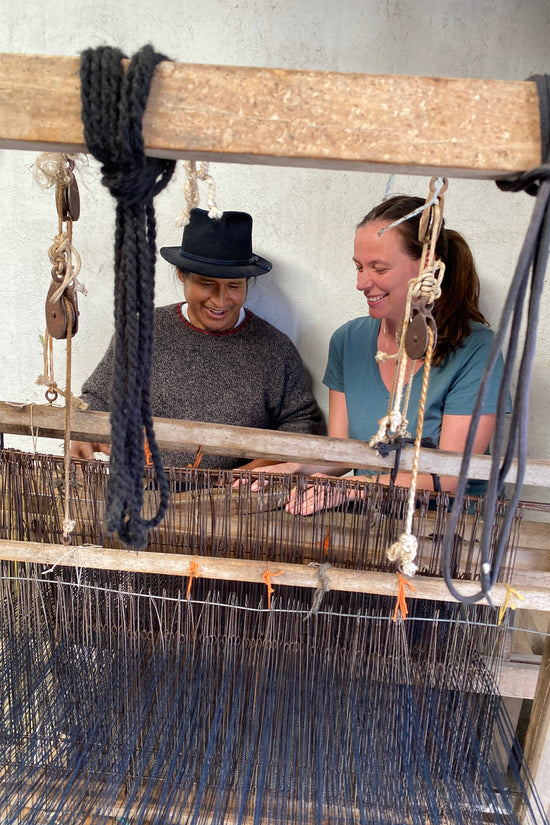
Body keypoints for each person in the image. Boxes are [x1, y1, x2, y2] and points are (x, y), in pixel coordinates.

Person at [255, 194, 506, 514]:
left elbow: (450, 476)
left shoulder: (477, 351)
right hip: (372, 522)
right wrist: (291, 469)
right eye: (359, 267)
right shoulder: (348, 341)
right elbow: (344, 451)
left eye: (379, 268)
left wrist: (353, 489)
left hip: (451, 535)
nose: (362, 282)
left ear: (427, 267)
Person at [70, 208, 324, 469]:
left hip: (231, 503)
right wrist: (84, 429)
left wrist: (252, 471)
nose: (220, 300)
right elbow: (97, 398)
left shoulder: (275, 349)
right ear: (182, 274)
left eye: (234, 286)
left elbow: (302, 425)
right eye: (207, 284)